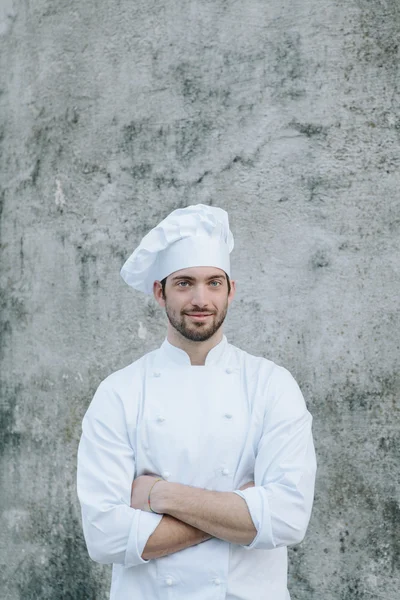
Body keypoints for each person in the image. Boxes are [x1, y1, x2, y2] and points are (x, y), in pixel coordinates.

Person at [77, 204, 317, 600]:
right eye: (185, 283)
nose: (200, 299)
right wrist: (245, 512)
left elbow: (289, 519)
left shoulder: (272, 385)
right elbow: (104, 537)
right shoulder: (119, 392)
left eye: (214, 283)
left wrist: (161, 496)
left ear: (231, 290)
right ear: (160, 291)